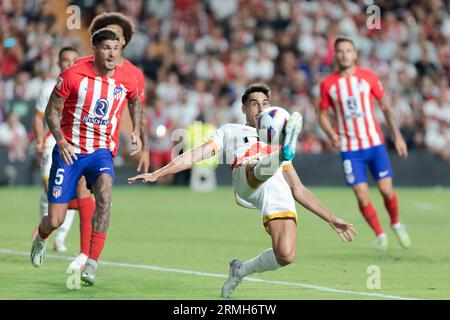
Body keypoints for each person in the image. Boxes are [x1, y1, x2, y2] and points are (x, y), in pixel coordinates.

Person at [129, 83, 357, 298]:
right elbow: (194, 155)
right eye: (254, 103)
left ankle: (240, 270)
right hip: (246, 175)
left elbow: (297, 188)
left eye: (265, 103)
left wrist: (330, 218)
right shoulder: (230, 131)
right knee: (256, 163)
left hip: (275, 187)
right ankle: (282, 154)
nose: (260, 108)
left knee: (286, 255)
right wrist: (158, 173)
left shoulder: (274, 137)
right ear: (244, 109)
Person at [30, 28, 143, 287]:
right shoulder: (72, 76)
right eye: (106, 48)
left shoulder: (128, 77)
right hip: (69, 152)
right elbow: (51, 112)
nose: (112, 53)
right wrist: (60, 141)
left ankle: (91, 262)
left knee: (104, 195)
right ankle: (42, 236)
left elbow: (135, 100)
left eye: (116, 48)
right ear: (94, 50)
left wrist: (136, 129)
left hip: (100, 152)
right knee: (56, 219)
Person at [66, 11, 150, 271]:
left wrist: (142, 143)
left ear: (124, 41)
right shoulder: (83, 67)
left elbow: (138, 108)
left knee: (99, 196)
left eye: (119, 36)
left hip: (103, 147)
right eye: (109, 35)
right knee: (76, 197)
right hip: (75, 141)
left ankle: (87, 256)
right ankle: (53, 220)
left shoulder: (134, 74)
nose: (114, 40)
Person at [318, 36, 411, 251]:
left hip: (375, 144)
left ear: (355, 54)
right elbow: (321, 114)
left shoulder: (368, 77)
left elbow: (386, 107)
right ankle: (380, 234)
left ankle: (396, 223)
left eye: (348, 51)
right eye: (340, 51)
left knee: (387, 191)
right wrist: (331, 134)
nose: (344, 54)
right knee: (361, 194)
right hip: (350, 150)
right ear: (336, 55)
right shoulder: (328, 84)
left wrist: (396, 136)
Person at [32, 47, 97, 255]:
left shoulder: (86, 87)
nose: (69, 64)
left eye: (73, 60)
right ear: (59, 63)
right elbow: (39, 116)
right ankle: (46, 227)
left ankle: (63, 240)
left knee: (78, 190)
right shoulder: (49, 87)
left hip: (77, 146)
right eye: (65, 60)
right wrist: (39, 140)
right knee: (50, 190)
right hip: (53, 143)